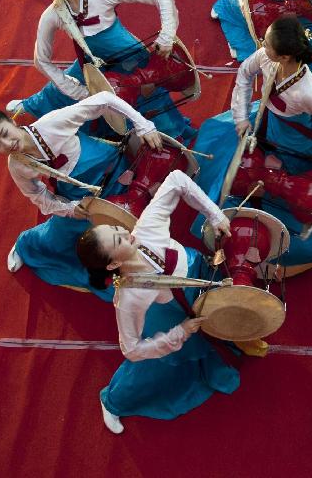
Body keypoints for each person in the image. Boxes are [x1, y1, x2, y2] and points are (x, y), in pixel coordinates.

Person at [190, 16, 312, 269]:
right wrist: (240, 117)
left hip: (297, 143)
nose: (263, 45)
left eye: (268, 43)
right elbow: (244, 73)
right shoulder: (265, 57)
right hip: (265, 122)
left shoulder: (310, 93)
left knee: (304, 186)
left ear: (283, 57)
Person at [76, 170, 238, 433]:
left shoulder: (147, 228)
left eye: (117, 227)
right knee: (152, 367)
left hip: (199, 279)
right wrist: (179, 333)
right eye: (118, 238)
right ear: (115, 263)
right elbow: (131, 349)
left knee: (208, 334)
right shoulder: (128, 300)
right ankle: (114, 401)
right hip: (171, 312)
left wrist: (215, 214)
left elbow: (175, 178)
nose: (125, 231)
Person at [0, 91, 163, 300]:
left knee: (133, 229)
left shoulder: (52, 123)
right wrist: (70, 209)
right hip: (81, 200)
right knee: (60, 239)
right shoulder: (17, 166)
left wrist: (144, 125)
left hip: (116, 174)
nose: (6, 144)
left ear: (11, 121)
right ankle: (27, 243)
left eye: (5, 133)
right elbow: (37, 196)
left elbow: (105, 97)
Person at [8, 0, 194, 140]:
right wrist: (77, 92)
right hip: (93, 64)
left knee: (152, 104)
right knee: (58, 91)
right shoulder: (53, 14)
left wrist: (166, 35)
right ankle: (30, 106)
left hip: (129, 60)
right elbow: (41, 60)